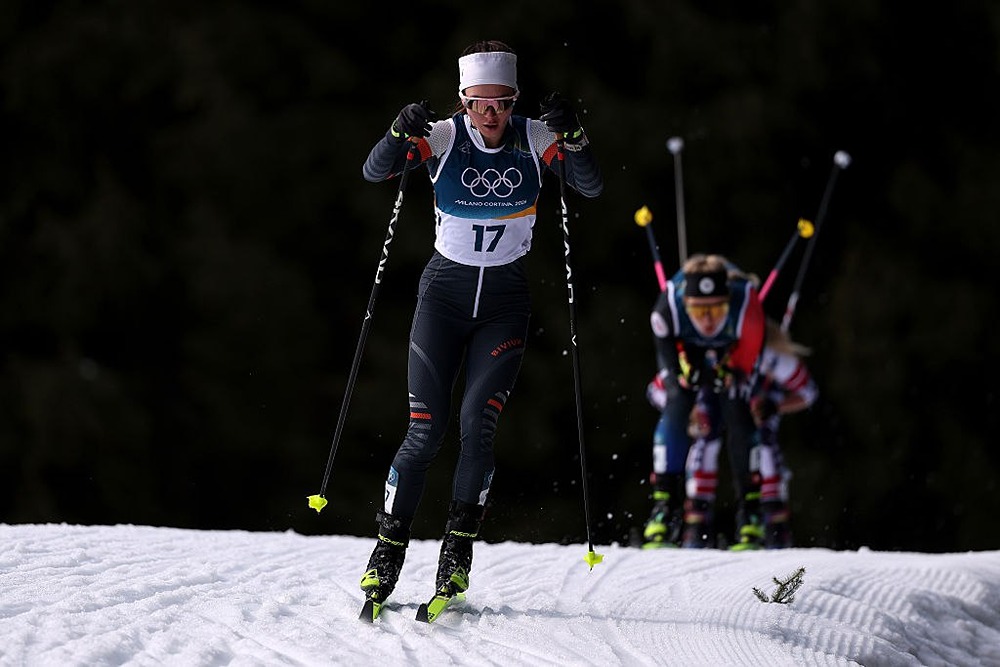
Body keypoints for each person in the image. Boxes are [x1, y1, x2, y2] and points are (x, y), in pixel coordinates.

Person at [358, 40, 603, 613]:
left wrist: (576, 135)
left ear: (513, 99)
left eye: (500, 103)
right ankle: (386, 553)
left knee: (477, 426)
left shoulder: (536, 136)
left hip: (504, 303)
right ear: (463, 100)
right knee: (425, 430)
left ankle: (456, 559)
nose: (489, 115)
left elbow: (590, 185)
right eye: (478, 103)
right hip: (442, 296)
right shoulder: (443, 136)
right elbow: (375, 171)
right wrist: (398, 132)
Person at [642, 254, 765, 549]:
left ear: (727, 303)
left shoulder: (747, 309)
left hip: (731, 347)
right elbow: (669, 358)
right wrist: (682, 372)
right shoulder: (667, 310)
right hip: (686, 346)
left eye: (716, 309)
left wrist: (729, 370)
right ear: (686, 305)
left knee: (736, 406)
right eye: (699, 311)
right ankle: (663, 510)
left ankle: (751, 516)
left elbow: (745, 364)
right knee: (677, 403)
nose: (708, 320)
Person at [745, 318, 819, 548]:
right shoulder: (726, 351)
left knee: (764, 447)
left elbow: (808, 394)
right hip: (732, 427)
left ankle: (774, 529)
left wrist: (775, 406)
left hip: (762, 432)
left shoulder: (776, 360)